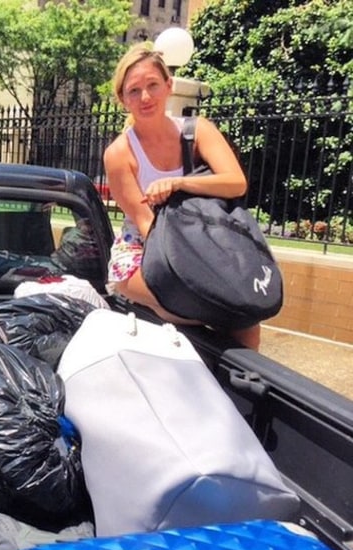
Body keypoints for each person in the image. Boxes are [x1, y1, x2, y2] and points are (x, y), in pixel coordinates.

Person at [103, 43, 260, 350]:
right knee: (184, 306)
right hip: (146, 250)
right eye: (134, 90)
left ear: (169, 86)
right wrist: (196, 271)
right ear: (123, 99)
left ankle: (242, 393)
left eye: (152, 85)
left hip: (204, 239)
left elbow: (236, 183)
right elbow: (146, 224)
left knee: (246, 318)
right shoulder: (119, 153)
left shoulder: (198, 131)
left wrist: (179, 183)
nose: (145, 97)